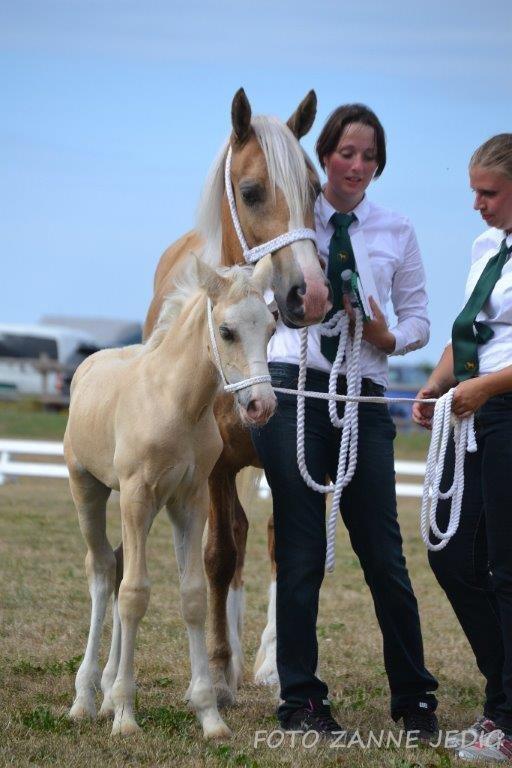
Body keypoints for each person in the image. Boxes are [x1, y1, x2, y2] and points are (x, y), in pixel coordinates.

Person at [252, 104, 439, 739]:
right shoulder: (293, 222)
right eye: (346, 153)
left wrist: (388, 332)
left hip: (362, 394)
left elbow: (419, 319)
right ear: (323, 155)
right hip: (295, 385)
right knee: (301, 552)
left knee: (383, 553)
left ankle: (414, 698)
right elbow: (257, 300)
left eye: (369, 156)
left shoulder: (397, 229)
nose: (357, 166)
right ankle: (302, 701)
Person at [413, 133, 512, 763]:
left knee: (507, 569)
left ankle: (504, 721)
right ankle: (503, 690)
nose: (477, 204)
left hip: (505, 406)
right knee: (450, 553)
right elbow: (466, 328)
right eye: (473, 191)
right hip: (475, 409)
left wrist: (483, 389)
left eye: (489, 193)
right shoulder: (486, 247)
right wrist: (434, 385)